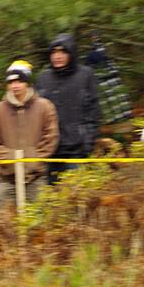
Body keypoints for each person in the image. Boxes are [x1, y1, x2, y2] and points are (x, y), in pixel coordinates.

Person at [0, 61, 59, 213]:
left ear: (27, 83)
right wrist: (9, 158)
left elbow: (51, 137)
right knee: (2, 225)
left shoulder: (45, 107)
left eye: (19, 81)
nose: (15, 85)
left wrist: (33, 159)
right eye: (11, 82)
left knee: (40, 225)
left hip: (36, 178)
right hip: (6, 179)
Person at [36, 34, 100, 184]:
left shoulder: (85, 75)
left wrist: (88, 140)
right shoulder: (43, 78)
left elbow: (94, 111)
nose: (57, 56)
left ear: (71, 53)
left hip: (77, 148)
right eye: (54, 52)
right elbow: (35, 113)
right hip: (50, 149)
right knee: (51, 197)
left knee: (76, 196)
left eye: (62, 52)